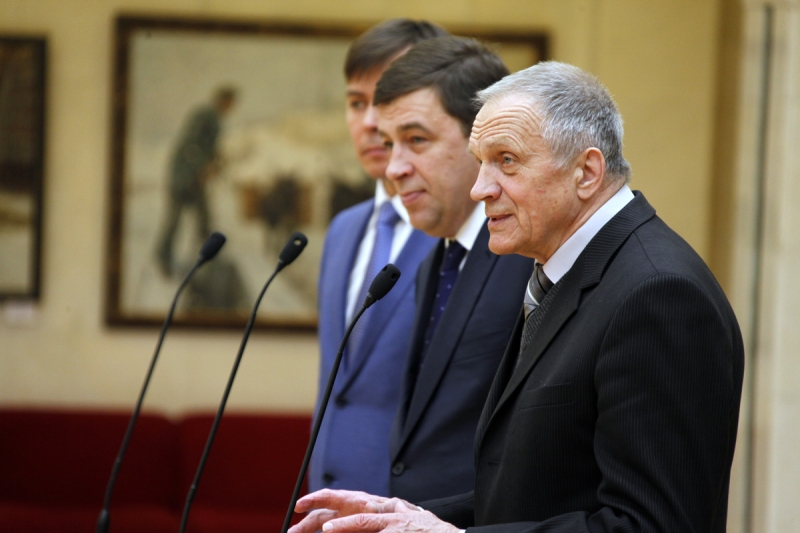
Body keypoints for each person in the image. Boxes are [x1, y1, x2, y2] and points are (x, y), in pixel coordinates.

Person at [290, 61, 745, 533]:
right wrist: (419, 517)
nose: (480, 188)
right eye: (480, 161)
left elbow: (652, 524)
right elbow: (534, 489)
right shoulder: (562, 270)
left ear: (586, 172)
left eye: (506, 160)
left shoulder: (659, 295)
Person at [374, 36, 533, 503]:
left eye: (416, 140)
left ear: (481, 141)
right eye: (388, 145)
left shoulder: (529, 259)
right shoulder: (435, 261)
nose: (394, 168)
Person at [310, 19, 446, 497]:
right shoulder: (343, 231)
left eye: (387, 99)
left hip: (417, 511)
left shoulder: (461, 234)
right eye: (356, 103)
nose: (369, 121)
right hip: (326, 504)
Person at [156, 86, 236, 276]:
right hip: (183, 178)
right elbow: (190, 145)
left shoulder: (215, 120)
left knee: (204, 219)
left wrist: (216, 160)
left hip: (196, 180)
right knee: (174, 221)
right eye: (229, 103)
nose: (231, 108)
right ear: (221, 100)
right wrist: (204, 165)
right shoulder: (204, 116)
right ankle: (163, 259)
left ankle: (207, 260)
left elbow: (206, 147)